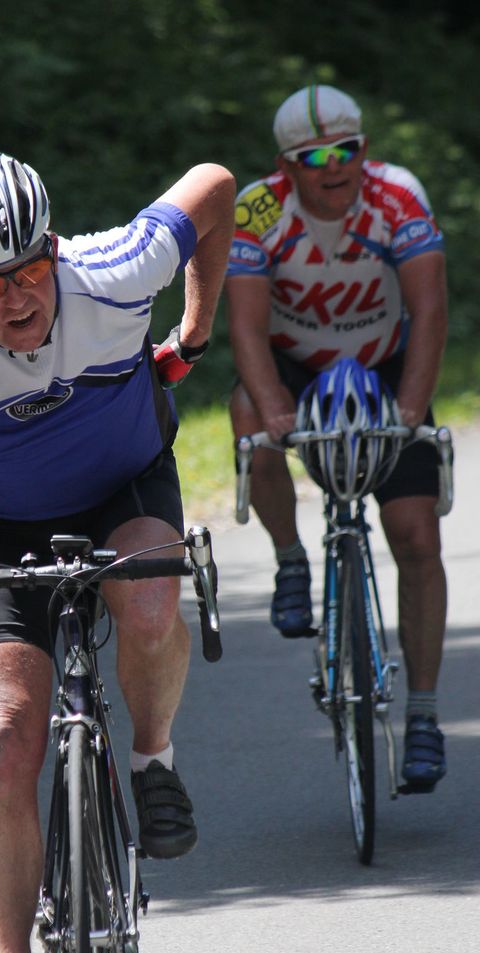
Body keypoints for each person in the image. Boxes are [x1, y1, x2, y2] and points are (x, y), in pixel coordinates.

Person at [0, 146, 235, 953]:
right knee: (6, 735)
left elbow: (212, 185)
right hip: (1, 522)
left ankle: (153, 759)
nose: (15, 299)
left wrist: (194, 332)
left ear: (52, 248)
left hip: (125, 487)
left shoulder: (115, 271)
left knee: (151, 603)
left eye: (29, 270)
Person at [225, 84, 449, 794]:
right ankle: (291, 560)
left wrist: (409, 410)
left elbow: (430, 309)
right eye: (314, 157)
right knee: (247, 415)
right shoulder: (258, 210)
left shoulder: (398, 196)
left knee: (415, 535)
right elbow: (246, 328)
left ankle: (423, 715)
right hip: (297, 363)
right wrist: (273, 406)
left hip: (385, 365)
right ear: (286, 165)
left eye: (345, 151)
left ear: (364, 151)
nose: (334, 167)